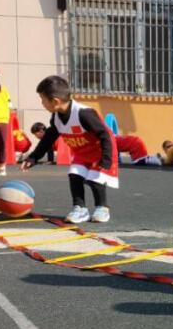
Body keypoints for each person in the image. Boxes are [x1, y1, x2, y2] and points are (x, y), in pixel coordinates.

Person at [22, 76, 118, 223]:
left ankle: (102, 208)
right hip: (81, 152)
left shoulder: (84, 113)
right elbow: (48, 138)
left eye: (43, 100)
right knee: (75, 175)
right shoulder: (56, 117)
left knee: (95, 179)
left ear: (55, 101)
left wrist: (106, 158)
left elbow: (104, 134)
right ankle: (80, 208)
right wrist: (33, 157)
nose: (42, 103)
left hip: (99, 151)